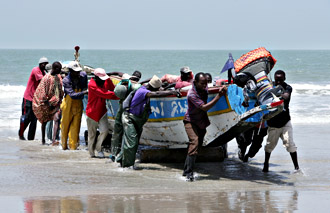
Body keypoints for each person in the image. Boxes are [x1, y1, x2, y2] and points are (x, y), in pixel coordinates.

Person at [115, 75, 180, 168]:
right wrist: (173, 92)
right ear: (153, 88)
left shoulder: (145, 88)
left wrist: (168, 89)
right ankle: (127, 166)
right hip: (130, 118)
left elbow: (158, 91)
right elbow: (156, 94)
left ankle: (121, 160)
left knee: (131, 141)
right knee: (132, 142)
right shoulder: (143, 91)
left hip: (137, 120)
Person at [182, 72, 227, 181]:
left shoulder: (204, 88)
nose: (204, 86)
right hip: (190, 121)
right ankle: (189, 173)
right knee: (195, 142)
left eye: (206, 83)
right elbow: (205, 107)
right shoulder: (192, 94)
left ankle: (186, 170)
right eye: (202, 83)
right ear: (195, 82)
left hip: (201, 121)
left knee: (198, 145)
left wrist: (223, 87)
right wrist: (219, 96)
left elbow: (213, 88)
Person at [262, 70, 300, 172]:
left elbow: (286, 96)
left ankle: (296, 168)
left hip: (285, 122)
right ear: (274, 78)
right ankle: (266, 164)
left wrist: (277, 93)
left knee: (290, 144)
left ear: (284, 79)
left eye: (281, 80)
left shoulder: (288, 87)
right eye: (277, 80)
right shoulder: (269, 87)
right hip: (273, 124)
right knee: (269, 146)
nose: (278, 82)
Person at [86, 68, 118, 158]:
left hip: (102, 111)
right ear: (96, 77)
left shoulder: (105, 81)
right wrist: (119, 96)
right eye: (101, 78)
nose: (103, 80)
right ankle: (91, 154)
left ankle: (98, 149)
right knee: (91, 135)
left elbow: (112, 88)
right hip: (91, 113)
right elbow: (105, 94)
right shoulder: (91, 84)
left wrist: (109, 80)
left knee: (105, 131)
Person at [110, 74, 141, 161]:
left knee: (127, 134)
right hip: (121, 107)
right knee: (116, 130)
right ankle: (113, 152)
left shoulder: (136, 88)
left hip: (131, 110)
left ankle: (122, 155)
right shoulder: (119, 87)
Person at [32, 62, 64, 145]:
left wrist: (59, 98)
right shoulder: (46, 78)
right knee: (44, 122)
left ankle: (53, 140)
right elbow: (42, 91)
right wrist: (47, 103)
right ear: (55, 68)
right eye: (59, 69)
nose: (60, 71)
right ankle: (43, 140)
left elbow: (60, 88)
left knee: (56, 119)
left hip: (56, 102)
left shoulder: (58, 77)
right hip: (47, 103)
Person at [19, 57, 48, 140]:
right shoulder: (36, 70)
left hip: (36, 100)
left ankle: (30, 139)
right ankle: (20, 134)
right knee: (26, 117)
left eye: (47, 64)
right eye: (44, 64)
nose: (45, 65)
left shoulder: (44, 73)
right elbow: (42, 82)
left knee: (34, 120)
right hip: (28, 98)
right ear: (40, 64)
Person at [60, 61, 88, 150]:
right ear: (70, 71)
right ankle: (64, 146)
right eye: (76, 71)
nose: (78, 73)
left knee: (76, 127)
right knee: (65, 127)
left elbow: (85, 86)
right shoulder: (66, 80)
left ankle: (73, 149)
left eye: (78, 71)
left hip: (78, 104)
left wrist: (85, 89)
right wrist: (84, 92)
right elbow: (72, 95)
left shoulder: (83, 76)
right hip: (68, 104)